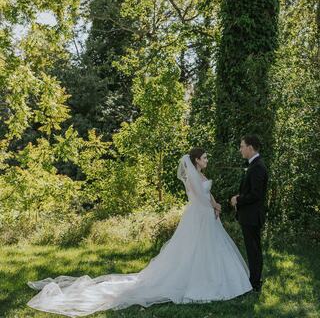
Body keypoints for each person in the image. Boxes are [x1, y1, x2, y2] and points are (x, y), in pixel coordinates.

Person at [27, 148, 252, 317]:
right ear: (196, 160)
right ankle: (196, 282)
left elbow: (208, 193)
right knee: (191, 251)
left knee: (210, 250)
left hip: (208, 217)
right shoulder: (191, 177)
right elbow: (199, 197)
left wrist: (215, 204)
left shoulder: (202, 176)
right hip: (198, 216)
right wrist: (213, 206)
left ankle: (217, 279)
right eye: (204, 158)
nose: (206, 160)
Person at [231, 135, 268, 292]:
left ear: (250, 148)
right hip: (250, 216)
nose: (240, 149)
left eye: (242, 146)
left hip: (252, 217)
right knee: (253, 250)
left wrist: (238, 200)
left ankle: (255, 284)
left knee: (253, 251)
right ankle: (255, 280)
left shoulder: (258, 167)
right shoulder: (254, 165)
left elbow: (256, 194)